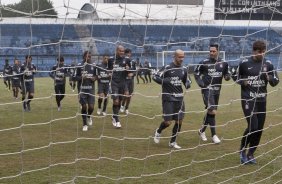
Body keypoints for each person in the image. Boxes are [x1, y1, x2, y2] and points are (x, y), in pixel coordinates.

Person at [233, 40, 279, 164]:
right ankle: (242, 150)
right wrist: (243, 81)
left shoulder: (268, 64)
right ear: (254, 51)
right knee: (253, 126)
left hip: (262, 100)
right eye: (260, 52)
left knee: (259, 129)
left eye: (264, 52)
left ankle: (251, 154)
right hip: (248, 99)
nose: (262, 54)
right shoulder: (244, 63)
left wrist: (268, 78)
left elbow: (275, 81)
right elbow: (234, 76)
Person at [153, 49, 191, 149]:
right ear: (174, 56)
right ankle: (158, 131)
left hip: (179, 99)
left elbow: (187, 81)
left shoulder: (184, 69)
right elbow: (155, 76)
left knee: (179, 121)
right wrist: (165, 81)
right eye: (179, 57)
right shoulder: (167, 68)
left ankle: (173, 142)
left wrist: (187, 84)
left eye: (183, 57)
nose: (182, 59)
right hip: (168, 98)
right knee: (168, 122)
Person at [194, 43, 231, 144]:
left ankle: (201, 131)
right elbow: (196, 73)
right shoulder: (204, 62)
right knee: (213, 111)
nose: (211, 53)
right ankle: (214, 135)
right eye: (210, 51)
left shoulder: (224, 63)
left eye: (214, 51)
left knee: (211, 112)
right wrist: (201, 84)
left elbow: (227, 74)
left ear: (218, 51)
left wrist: (227, 77)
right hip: (207, 90)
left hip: (217, 90)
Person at [108, 45, 132, 128]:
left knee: (120, 101)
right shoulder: (111, 60)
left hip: (123, 83)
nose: (122, 52)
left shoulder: (127, 60)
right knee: (116, 101)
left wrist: (128, 70)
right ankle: (117, 120)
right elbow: (109, 70)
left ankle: (114, 116)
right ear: (116, 51)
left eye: (123, 51)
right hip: (114, 83)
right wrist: (109, 74)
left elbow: (130, 73)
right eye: (120, 51)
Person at [75, 51, 97, 131]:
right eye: (87, 57)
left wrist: (95, 78)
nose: (89, 58)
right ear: (84, 57)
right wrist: (81, 78)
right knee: (84, 106)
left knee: (91, 107)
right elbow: (74, 77)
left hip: (91, 89)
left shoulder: (94, 65)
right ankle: (84, 124)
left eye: (90, 57)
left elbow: (97, 75)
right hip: (82, 89)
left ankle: (89, 116)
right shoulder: (79, 65)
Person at [120, 48, 136, 114]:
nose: (128, 55)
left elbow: (135, 71)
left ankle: (126, 108)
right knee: (126, 94)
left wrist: (132, 74)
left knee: (129, 95)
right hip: (124, 80)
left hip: (131, 81)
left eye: (129, 53)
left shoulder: (133, 61)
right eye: (127, 54)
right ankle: (122, 105)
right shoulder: (121, 61)